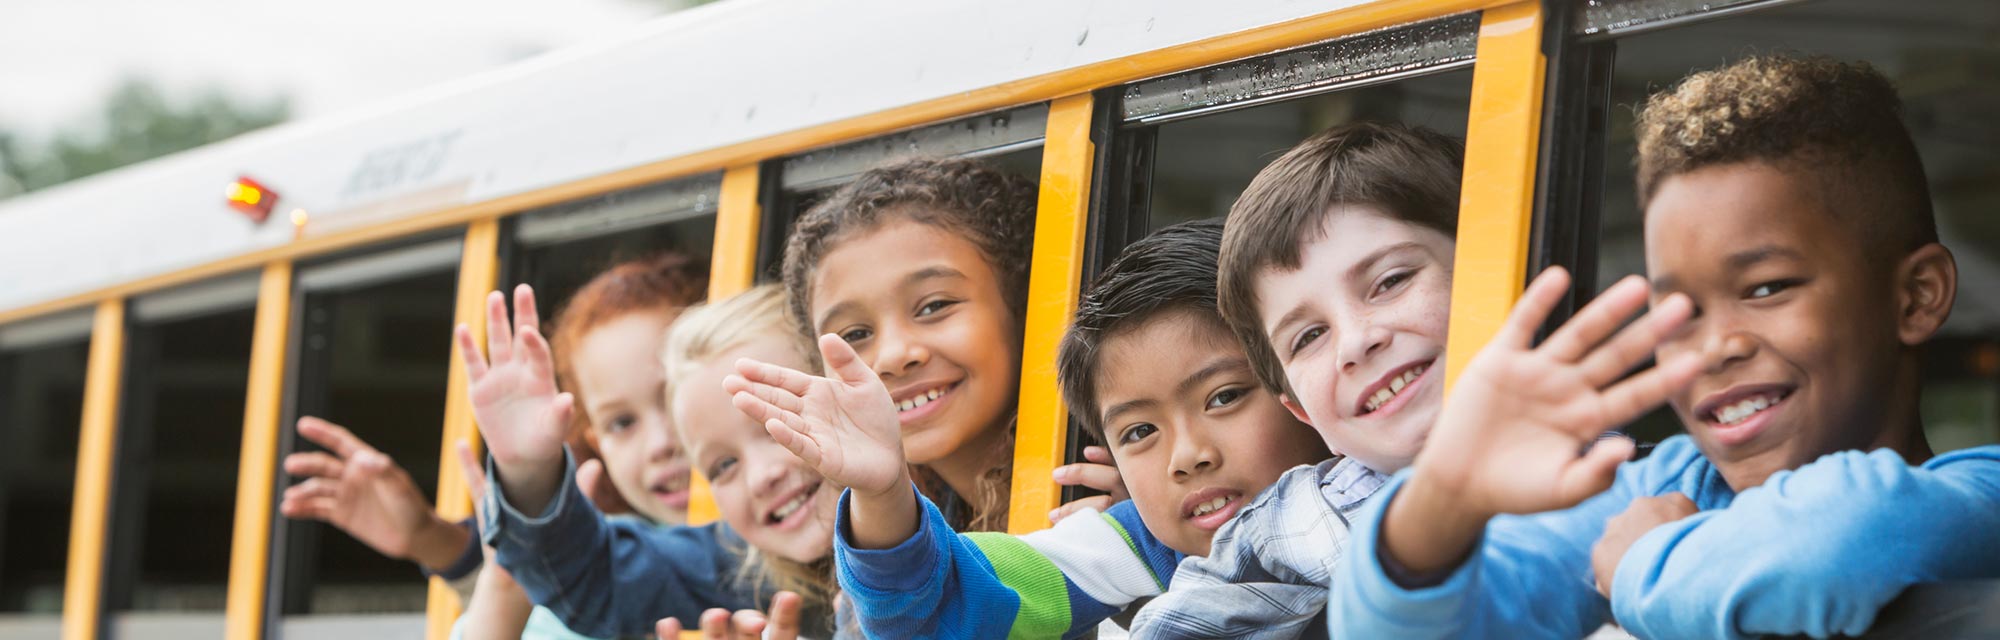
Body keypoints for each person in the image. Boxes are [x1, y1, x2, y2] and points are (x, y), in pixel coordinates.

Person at [1329, 54, 2000, 640]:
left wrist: (1640, 563)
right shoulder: (1656, 485)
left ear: (1916, 296)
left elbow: (1837, 540)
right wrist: (1444, 492)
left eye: (1766, 288)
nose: (1714, 348)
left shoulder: (1980, 492)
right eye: (1676, 310)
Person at [282, 251, 719, 638]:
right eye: (621, 422)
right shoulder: (599, 577)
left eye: (674, 396)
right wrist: (505, 567)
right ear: (594, 442)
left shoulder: (763, 544)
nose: (662, 443)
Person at [778, 156, 1039, 532]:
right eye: (855, 335)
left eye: (934, 306)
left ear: (1019, 305)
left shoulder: (1118, 495)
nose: (894, 356)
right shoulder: (875, 533)